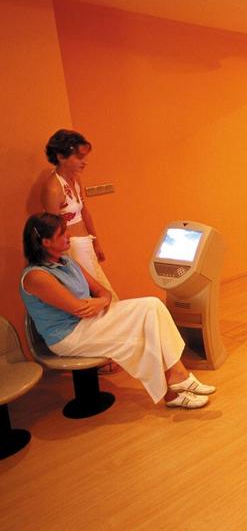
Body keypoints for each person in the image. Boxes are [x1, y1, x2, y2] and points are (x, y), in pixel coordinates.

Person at [19, 213, 216, 409]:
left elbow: (102, 292)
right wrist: (98, 303)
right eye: (62, 233)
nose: (68, 236)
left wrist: (100, 302)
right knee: (140, 337)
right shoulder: (36, 277)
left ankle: (178, 376)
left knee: (153, 305)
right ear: (46, 242)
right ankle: (173, 392)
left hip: (90, 320)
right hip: (69, 335)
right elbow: (80, 309)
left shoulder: (68, 262)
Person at [41, 129, 117, 300]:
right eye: (79, 157)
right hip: (72, 247)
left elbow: (84, 212)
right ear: (61, 157)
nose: (85, 162)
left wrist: (96, 242)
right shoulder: (53, 188)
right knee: (97, 293)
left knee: (103, 289)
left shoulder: (75, 179)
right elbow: (53, 230)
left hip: (85, 242)